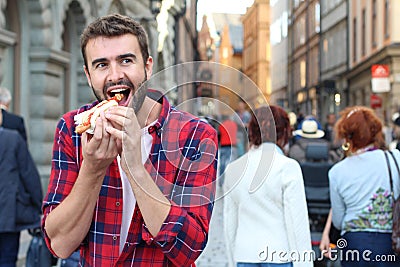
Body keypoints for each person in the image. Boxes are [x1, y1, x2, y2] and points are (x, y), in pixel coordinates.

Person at [42, 14, 218, 266]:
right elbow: (59, 245)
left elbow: (189, 249)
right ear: (88, 75)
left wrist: (136, 168)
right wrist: (93, 169)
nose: (115, 76)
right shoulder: (72, 129)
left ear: (147, 66)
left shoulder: (195, 136)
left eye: (126, 60)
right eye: (101, 65)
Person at [223, 105, 312, 267]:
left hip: (245, 254)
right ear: (284, 132)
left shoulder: (233, 169)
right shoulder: (288, 167)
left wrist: (231, 260)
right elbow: (297, 224)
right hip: (279, 254)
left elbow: (230, 221)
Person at [329, 106, 400, 266]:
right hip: (389, 242)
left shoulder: (337, 171)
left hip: (354, 244)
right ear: (375, 131)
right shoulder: (395, 158)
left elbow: (338, 221)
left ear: (346, 136)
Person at [0, 111, 43, 267]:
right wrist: (39, 205)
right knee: (7, 258)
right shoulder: (12, 139)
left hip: (8, 211)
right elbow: (29, 174)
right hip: (8, 212)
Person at [218, 115, 238, 180]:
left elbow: (219, 135)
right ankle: (232, 181)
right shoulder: (234, 124)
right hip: (233, 146)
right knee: (232, 165)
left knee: (222, 165)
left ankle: (221, 183)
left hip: (224, 146)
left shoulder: (222, 125)